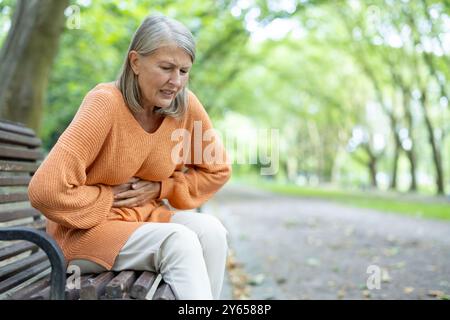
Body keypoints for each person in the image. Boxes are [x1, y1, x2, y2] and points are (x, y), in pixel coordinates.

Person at [28, 14, 232, 300]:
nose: (176, 81)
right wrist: (107, 198)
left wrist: (164, 187)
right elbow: (45, 190)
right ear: (135, 62)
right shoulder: (105, 103)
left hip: (143, 220)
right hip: (84, 234)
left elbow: (217, 169)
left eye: (184, 71)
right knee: (180, 241)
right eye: (166, 68)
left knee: (212, 232)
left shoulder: (185, 106)